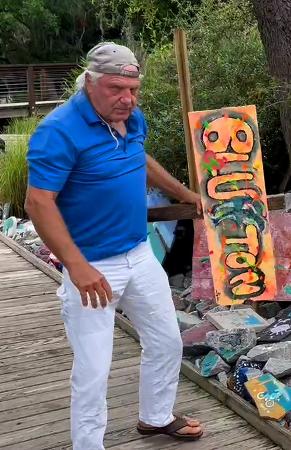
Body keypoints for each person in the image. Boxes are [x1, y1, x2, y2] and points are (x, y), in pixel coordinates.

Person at [25, 42, 204, 449]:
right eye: (116, 89)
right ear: (90, 83)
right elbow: (38, 203)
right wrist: (77, 266)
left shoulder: (130, 118)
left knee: (166, 340)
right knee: (93, 369)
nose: (127, 99)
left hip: (139, 254)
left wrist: (184, 195)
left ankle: (156, 418)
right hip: (91, 265)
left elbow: (140, 159)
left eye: (134, 89)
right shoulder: (58, 130)